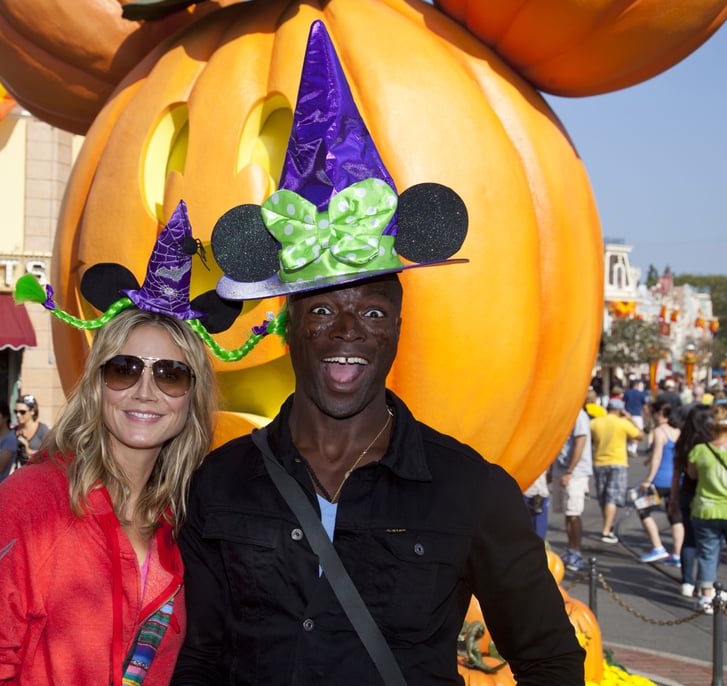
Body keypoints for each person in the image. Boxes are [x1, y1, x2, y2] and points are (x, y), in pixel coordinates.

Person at [173, 22, 582, 684]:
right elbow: (198, 661)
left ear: (397, 327)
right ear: (287, 324)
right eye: (323, 311)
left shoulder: (471, 492)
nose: (347, 333)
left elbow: (550, 662)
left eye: (371, 313)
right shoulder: (220, 486)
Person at [0, 201, 241, 684]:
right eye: (124, 369)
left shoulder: (185, 519)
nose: (145, 391)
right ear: (97, 384)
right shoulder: (31, 504)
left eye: (170, 374)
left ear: (192, 396)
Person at [687, 403, 727, 614]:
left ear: (711, 427)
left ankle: (706, 597)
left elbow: (692, 476)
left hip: (706, 509)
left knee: (708, 554)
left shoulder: (700, 450)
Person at [670, 404, 713, 598]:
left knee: (689, 539)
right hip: (706, 496)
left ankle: (687, 581)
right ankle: (705, 585)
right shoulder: (709, 443)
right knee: (709, 543)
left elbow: (676, 472)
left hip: (686, 493)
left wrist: (674, 498)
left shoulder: (684, 441)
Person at [635, 401, 683, 564]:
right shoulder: (677, 431)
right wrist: (649, 459)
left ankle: (658, 547)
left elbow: (657, 456)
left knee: (643, 509)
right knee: (675, 517)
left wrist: (648, 480)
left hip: (660, 480)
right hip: (676, 480)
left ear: (659, 414)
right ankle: (677, 555)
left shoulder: (658, 431)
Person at [590, 397, 643, 543]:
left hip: (599, 462)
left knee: (603, 497)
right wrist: (630, 419)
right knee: (612, 498)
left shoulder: (595, 423)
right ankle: (606, 530)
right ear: (620, 410)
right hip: (618, 463)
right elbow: (640, 435)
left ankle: (608, 524)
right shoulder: (623, 423)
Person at [553, 407, 593, 572]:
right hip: (562, 470)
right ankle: (571, 549)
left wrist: (569, 470)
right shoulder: (564, 412)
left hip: (575, 472)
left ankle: (576, 551)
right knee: (568, 513)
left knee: (573, 513)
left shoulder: (579, 415)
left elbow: (580, 442)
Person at [13, 393, 50, 465]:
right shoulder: (14, 431)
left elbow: (50, 454)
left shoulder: (42, 430)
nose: (18, 415)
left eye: (22, 412)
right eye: (16, 412)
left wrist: (29, 451)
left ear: (32, 411)